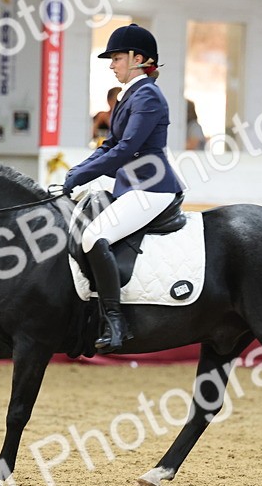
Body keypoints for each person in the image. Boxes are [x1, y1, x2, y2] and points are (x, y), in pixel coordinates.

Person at [63, 23, 185, 353]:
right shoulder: (127, 96)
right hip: (131, 187)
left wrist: (82, 176)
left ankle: (115, 322)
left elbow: (127, 148)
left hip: (151, 188)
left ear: (137, 59)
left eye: (116, 58)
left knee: (94, 237)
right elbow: (109, 144)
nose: (112, 65)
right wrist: (76, 171)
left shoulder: (148, 96)